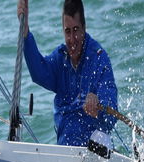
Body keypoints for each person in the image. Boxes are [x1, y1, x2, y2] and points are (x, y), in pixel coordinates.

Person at [17, 0, 118, 146]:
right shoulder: (60, 58)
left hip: (94, 152)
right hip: (64, 150)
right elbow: (39, 73)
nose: (72, 39)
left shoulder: (99, 59)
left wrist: (98, 103)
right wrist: (25, 33)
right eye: (67, 31)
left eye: (76, 30)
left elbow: (112, 112)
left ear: (84, 28)